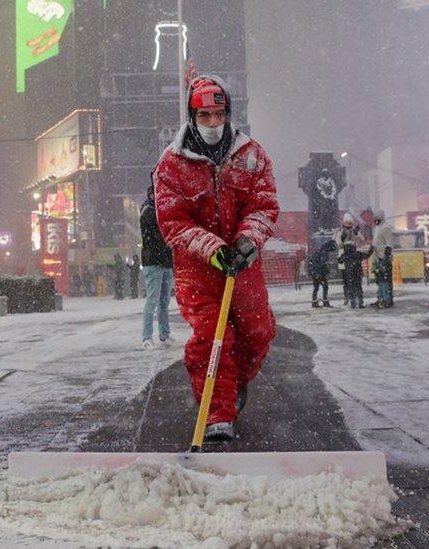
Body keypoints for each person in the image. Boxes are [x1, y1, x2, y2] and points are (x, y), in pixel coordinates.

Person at [153, 74, 279, 442]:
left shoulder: (252, 155)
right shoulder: (171, 164)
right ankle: (217, 412)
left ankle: (232, 384)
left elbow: (264, 204)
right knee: (212, 336)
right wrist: (211, 249)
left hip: (244, 263)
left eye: (218, 114)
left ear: (228, 113)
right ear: (192, 117)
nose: (212, 122)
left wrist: (246, 241)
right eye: (204, 115)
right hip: (198, 268)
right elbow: (172, 220)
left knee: (258, 332)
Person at [140, 183, 176, 349]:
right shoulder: (149, 211)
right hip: (154, 262)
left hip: (165, 261)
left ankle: (164, 335)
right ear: (151, 195)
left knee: (163, 301)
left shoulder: (161, 210)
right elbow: (160, 233)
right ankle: (147, 338)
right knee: (153, 301)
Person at [334, 213, 366, 308]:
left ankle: (357, 299)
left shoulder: (354, 231)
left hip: (353, 259)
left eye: (350, 226)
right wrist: (343, 240)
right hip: (344, 259)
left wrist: (356, 233)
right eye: (346, 226)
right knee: (347, 281)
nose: (348, 228)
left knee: (355, 282)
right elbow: (337, 245)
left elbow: (362, 240)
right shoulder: (340, 232)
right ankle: (347, 298)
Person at [370, 209, 395, 308]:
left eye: (377, 219)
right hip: (377, 257)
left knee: (385, 281)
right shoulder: (377, 228)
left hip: (384, 258)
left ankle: (387, 299)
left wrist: (386, 255)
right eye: (375, 219)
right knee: (379, 280)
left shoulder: (385, 228)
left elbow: (389, 243)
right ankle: (380, 298)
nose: (376, 221)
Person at [307, 239, 336, 308]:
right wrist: (325, 271)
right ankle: (325, 301)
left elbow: (314, 261)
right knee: (325, 286)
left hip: (314, 271)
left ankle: (314, 302)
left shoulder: (319, 250)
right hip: (319, 272)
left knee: (316, 287)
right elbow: (322, 264)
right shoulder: (324, 252)